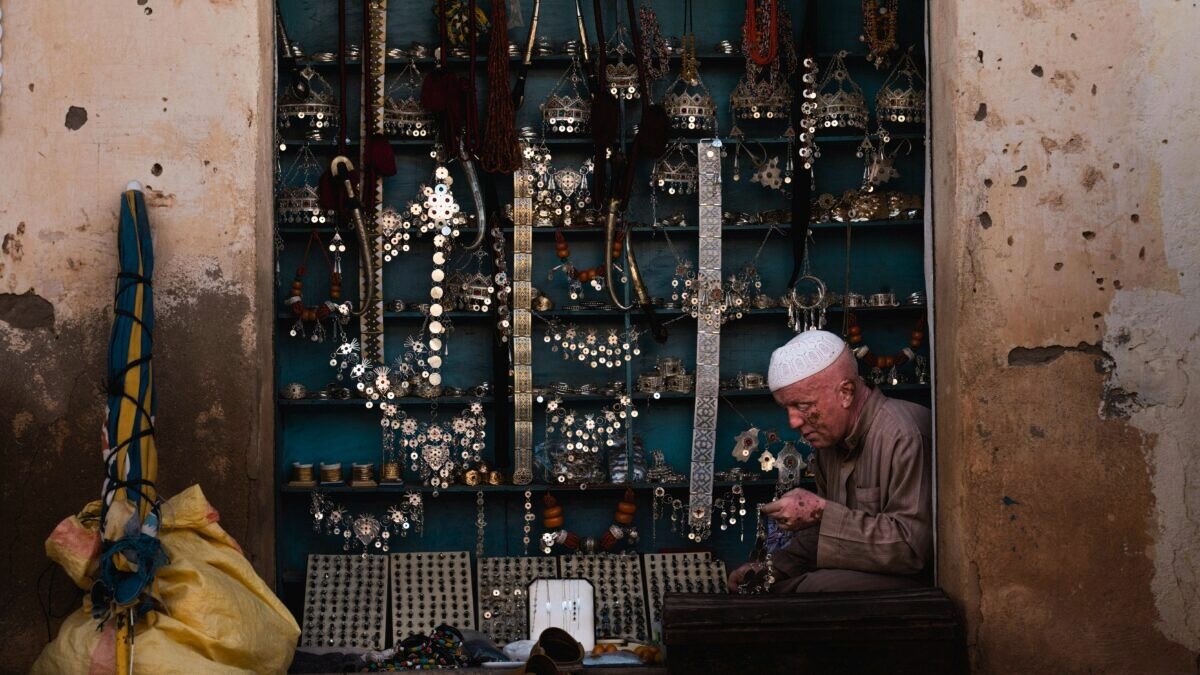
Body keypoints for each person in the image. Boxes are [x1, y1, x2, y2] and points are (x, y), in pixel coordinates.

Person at [727, 329, 933, 593]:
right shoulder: (829, 444)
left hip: (911, 581)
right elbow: (821, 536)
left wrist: (822, 512)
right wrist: (773, 569)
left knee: (813, 589)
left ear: (846, 392)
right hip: (858, 574)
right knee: (767, 586)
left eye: (803, 406)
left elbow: (912, 550)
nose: (793, 422)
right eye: (787, 409)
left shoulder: (903, 434)